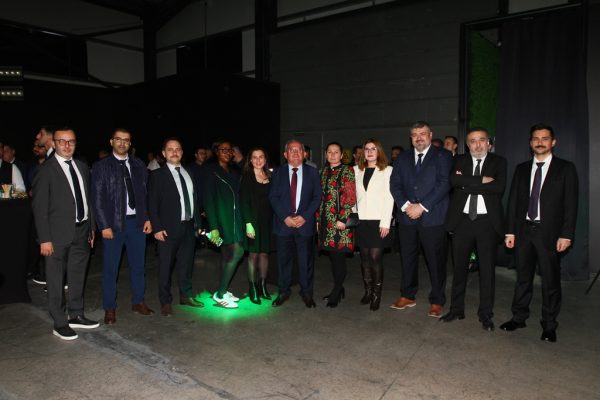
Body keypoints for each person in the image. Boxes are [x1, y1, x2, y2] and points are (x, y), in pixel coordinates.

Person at [500, 123, 578, 343]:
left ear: (553, 142)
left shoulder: (565, 168)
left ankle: (549, 325)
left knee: (550, 281)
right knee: (522, 278)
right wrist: (510, 231)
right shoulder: (522, 169)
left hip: (550, 234)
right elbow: (513, 202)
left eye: (544, 138)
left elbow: (571, 204)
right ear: (530, 143)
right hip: (524, 231)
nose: (540, 142)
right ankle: (519, 318)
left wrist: (566, 235)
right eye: (536, 138)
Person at [31, 127, 99, 340]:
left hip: (82, 231)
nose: (67, 145)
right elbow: (39, 208)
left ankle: (76, 314)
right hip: (56, 235)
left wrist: (92, 228)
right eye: (62, 141)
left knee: (78, 275)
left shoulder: (82, 166)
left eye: (71, 141)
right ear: (54, 143)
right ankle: (60, 322)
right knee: (55, 279)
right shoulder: (46, 170)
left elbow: (88, 200)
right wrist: (44, 239)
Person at [441, 128, 506, 331]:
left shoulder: (499, 162)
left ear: (488, 143)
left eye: (481, 140)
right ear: (467, 145)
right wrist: (482, 180)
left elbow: (498, 188)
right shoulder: (459, 161)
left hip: (487, 224)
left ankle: (485, 314)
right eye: (473, 141)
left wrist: (466, 183)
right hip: (461, 222)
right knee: (459, 269)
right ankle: (456, 309)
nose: (477, 145)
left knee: (487, 271)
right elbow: (454, 181)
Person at [91, 128, 155, 325]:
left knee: (138, 266)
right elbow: (97, 199)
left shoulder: (139, 165)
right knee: (111, 269)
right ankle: (109, 308)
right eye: (118, 139)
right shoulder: (101, 166)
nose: (122, 143)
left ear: (130, 143)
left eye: (126, 140)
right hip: (114, 225)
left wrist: (147, 218)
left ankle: (138, 301)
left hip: (137, 223)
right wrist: (104, 225)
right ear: (111, 142)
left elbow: (145, 195)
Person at [389, 121, 452, 317]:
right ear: (411, 138)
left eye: (422, 133)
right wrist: (406, 206)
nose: (419, 137)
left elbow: (444, 183)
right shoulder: (403, 158)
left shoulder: (443, 155)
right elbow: (395, 184)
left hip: (433, 217)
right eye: (415, 134)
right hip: (407, 217)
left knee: (435, 261)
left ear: (430, 135)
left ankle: (437, 300)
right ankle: (407, 295)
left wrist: (422, 206)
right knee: (407, 258)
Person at [148, 138, 203, 317]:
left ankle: (185, 295)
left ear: (182, 152)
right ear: (164, 153)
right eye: (170, 149)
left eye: (178, 149)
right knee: (165, 267)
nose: (174, 152)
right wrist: (157, 227)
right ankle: (165, 302)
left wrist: (198, 224)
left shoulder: (189, 173)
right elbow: (152, 204)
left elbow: (194, 199)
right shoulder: (157, 175)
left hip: (188, 227)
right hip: (167, 229)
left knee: (186, 265)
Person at [269, 139, 321, 308]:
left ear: (304, 154)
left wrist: (304, 216)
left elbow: (317, 197)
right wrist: (285, 217)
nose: (296, 153)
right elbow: (273, 197)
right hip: (283, 225)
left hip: (304, 225)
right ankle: (283, 291)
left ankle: (307, 293)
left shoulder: (313, 173)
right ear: (286, 154)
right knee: (283, 261)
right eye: (292, 150)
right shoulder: (278, 172)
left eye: (299, 150)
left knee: (306, 262)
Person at [203, 140, 245, 308]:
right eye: (223, 150)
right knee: (238, 251)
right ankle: (220, 294)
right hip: (221, 219)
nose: (227, 153)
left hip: (236, 217)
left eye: (229, 150)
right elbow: (208, 199)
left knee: (228, 255)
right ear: (216, 152)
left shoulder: (234, 170)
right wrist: (213, 227)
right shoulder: (211, 171)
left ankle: (223, 289)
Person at [354, 139, 394, 311]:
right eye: (367, 149)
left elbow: (389, 198)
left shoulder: (387, 170)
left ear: (379, 151)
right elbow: (353, 196)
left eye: (373, 149)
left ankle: (377, 295)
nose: (370, 152)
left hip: (378, 221)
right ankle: (368, 291)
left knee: (375, 258)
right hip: (361, 220)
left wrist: (386, 222)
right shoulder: (356, 170)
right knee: (364, 258)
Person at [317, 142, 356, 307]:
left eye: (336, 152)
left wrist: (343, 219)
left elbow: (350, 197)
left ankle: (337, 290)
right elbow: (319, 198)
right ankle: (338, 288)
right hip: (325, 222)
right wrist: (317, 220)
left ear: (341, 155)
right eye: (330, 152)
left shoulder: (347, 170)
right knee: (333, 258)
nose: (333, 155)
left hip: (340, 223)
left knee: (339, 258)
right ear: (326, 154)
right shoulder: (322, 172)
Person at [240, 147, 273, 304]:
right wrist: (248, 224)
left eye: (261, 157)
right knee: (253, 255)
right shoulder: (247, 177)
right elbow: (244, 202)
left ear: (265, 160)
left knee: (264, 254)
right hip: (252, 222)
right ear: (250, 160)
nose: (258, 160)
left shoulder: (270, 176)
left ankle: (262, 285)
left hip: (267, 222)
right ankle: (252, 287)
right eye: (255, 157)